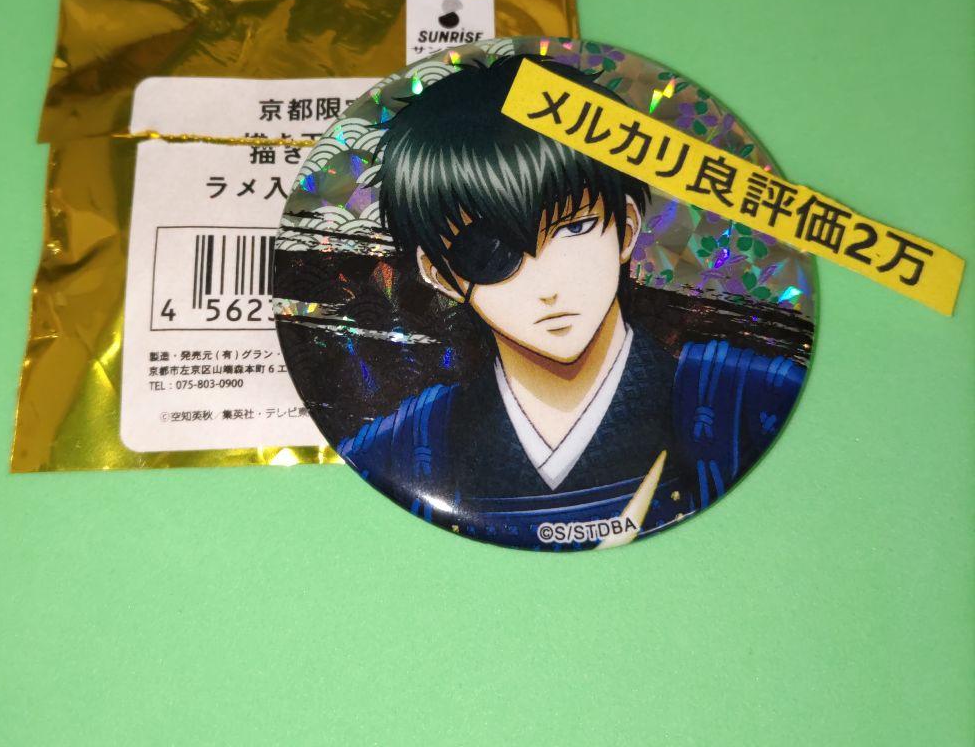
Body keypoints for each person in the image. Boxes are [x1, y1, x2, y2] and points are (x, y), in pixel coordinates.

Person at [337, 55, 805, 550]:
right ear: (440, 274)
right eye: (491, 253)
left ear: (626, 228)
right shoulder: (401, 450)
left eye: (576, 227)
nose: (549, 285)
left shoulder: (751, 399)